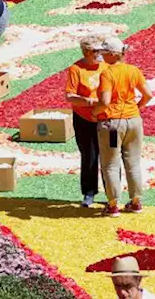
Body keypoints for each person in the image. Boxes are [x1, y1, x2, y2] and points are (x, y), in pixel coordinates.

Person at [95, 36, 152, 217]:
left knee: (111, 165)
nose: (102, 57)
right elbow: (148, 95)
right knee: (133, 163)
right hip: (134, 121)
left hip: (112, 124)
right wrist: (136, 107)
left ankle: (112, 205)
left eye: (104, 53)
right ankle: (136, 202)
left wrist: (95, 112)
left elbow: (104, 101)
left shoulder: (107, 73)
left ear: (113, 54)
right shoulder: (133, 70)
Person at [64, 36, 107, 208]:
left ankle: (113, 193)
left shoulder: (106, 66)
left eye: (100, 50)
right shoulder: (76, 69)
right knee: (89, 156)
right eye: (95, 51)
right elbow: (70, 96)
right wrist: (90, 102)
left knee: (109, 156)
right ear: (86, 52)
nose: (99, 54)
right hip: (84, 118)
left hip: (105, 117)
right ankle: (89, 193)